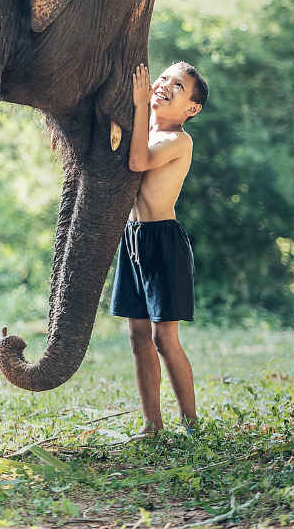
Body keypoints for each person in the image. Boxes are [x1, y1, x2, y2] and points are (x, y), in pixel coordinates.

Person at [110, 61, 208, 436]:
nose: (165, 85)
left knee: (164, 338)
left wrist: (137, 104)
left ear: (191, 109)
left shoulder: (177, 140)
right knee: (137, 336)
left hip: (163, 242)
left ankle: (192, 424)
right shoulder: (146, 131)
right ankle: (152, 423)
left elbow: (138, 161)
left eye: (178, 86)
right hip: (133, 238)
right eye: (163, 78)